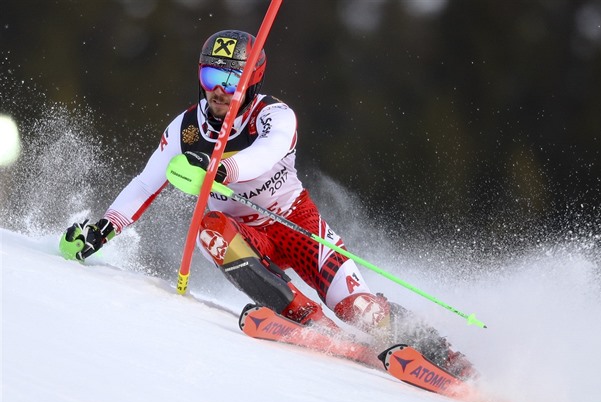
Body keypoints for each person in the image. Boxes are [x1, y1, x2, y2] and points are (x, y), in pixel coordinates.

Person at [60, 29, 474, 379]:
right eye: (210, 74)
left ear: (252, 78)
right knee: (209, 229)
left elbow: (266, 154)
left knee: (363, 312)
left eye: (230, 77)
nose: (219, 89)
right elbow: (146, 183)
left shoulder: (275, 116)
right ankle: (302, 315)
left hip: (298, 225)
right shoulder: (186, 129)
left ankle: (447, 359)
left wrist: (220, 168)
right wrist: (103, 229)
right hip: (248, 235)